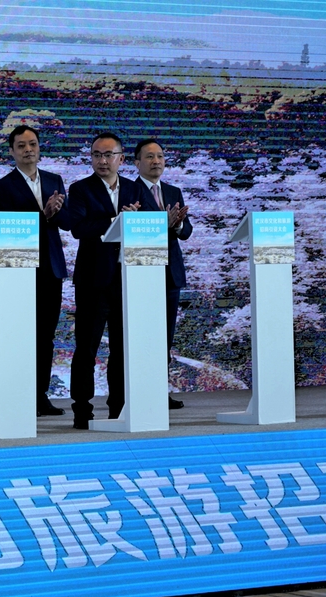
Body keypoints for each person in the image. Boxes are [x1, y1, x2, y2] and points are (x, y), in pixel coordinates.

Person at [64, 132, 147, 428]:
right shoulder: (80, 188)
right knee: (87, 348)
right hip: (93, 280)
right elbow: (78, 227)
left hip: (128, 279)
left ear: (121, 159)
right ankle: (82, 409)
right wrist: (116, 221)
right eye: (97, 155)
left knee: (122, 349)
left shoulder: (136, 189)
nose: (102, 160)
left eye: (108, 155)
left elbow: (149, 225)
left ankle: (119, 407)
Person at [0, 125, 70, 418]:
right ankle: (18, 394)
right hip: (20, 270)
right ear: (11, 151)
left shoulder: (54, 180)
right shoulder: (4, 186)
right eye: (22, 146)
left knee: (46, 336)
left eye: (33, 144)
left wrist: (57, 213)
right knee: (22, 335)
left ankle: (40, 395)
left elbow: (68, 222)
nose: (28, 150)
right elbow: (9, 229)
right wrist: (43, 215)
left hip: (51, 268)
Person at [134, 138, 193, 411]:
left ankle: (160, 391)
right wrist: (162, 224)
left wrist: (177, 225)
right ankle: (137, 391)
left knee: (164, 337)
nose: (156, 161)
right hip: (141, 274)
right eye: (149, 157)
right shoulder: (129, 191)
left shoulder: (173, 191)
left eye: (159, 156)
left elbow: (186, 231)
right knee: (142, 335)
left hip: (170, 274)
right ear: (137, 162)